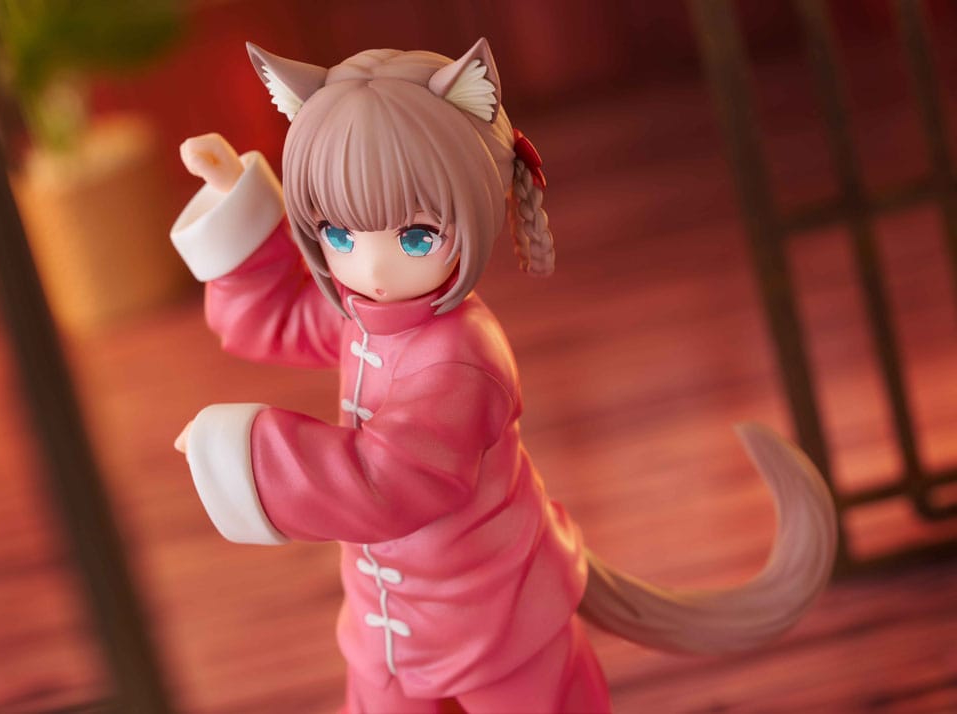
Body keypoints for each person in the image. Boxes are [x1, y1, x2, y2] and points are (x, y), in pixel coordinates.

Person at [171, 38, 837, 713]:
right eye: (338, 235)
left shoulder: (462, 358)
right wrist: (237, 207)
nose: (370, 269)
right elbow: (279, 320)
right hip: (385, 625)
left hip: (494, 617)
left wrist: (241, 453)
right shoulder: (364, 314)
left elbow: (392, 480)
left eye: (416, 237)